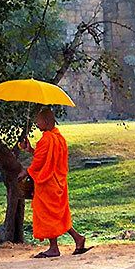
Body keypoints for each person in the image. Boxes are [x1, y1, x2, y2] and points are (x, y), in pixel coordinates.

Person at [18, 108, 91, 258]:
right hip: (59, 182)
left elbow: (39, 162)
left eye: (38, 121)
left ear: (45, 122)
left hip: (47, 183)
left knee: (47, 214)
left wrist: (26, 172)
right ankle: (78, 239)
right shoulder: (59, 138)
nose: (36, 125)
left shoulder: (47, 139)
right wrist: (30, 149)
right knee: (58, 214)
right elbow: (46, 157)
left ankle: (53, 248)